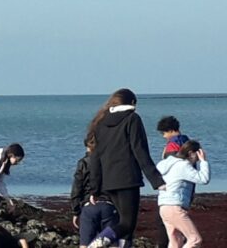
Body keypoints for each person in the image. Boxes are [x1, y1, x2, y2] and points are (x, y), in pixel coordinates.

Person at [85, 88, 166, 248]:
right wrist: (157, 181)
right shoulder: (132, 119)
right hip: (128, 181)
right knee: (127, 224)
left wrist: (94, 189)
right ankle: (99, 241)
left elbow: (95, 158)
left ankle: (109, 242)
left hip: (109, 183)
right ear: (133, 103)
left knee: (123, 226)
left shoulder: (100, 123)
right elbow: (140, 151)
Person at [157, 140, 210, 248]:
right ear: (191, 153)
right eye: (197, 154)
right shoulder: (183, 166)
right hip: (175, 207)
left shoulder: (166, 164)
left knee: (175, 241)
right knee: (195, 239)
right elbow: (204, 179)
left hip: (164, 207)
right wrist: (204, 161)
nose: (197, 159)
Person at [70, 139, 119, 248]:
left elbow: (77, 188)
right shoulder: (110, 162)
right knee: (112, 242)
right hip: (109, 205)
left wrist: (75, 211)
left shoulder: (83, 162)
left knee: (85, 244)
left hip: (89, 207)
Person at [156, 116, 190, 248]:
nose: (164, 136)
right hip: (185, 189)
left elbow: (169, 166)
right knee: (180, 222)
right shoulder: (187, 142)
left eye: (164, 133)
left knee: (164, 223)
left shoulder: (173, 145)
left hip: (171, 190)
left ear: (170, 130)